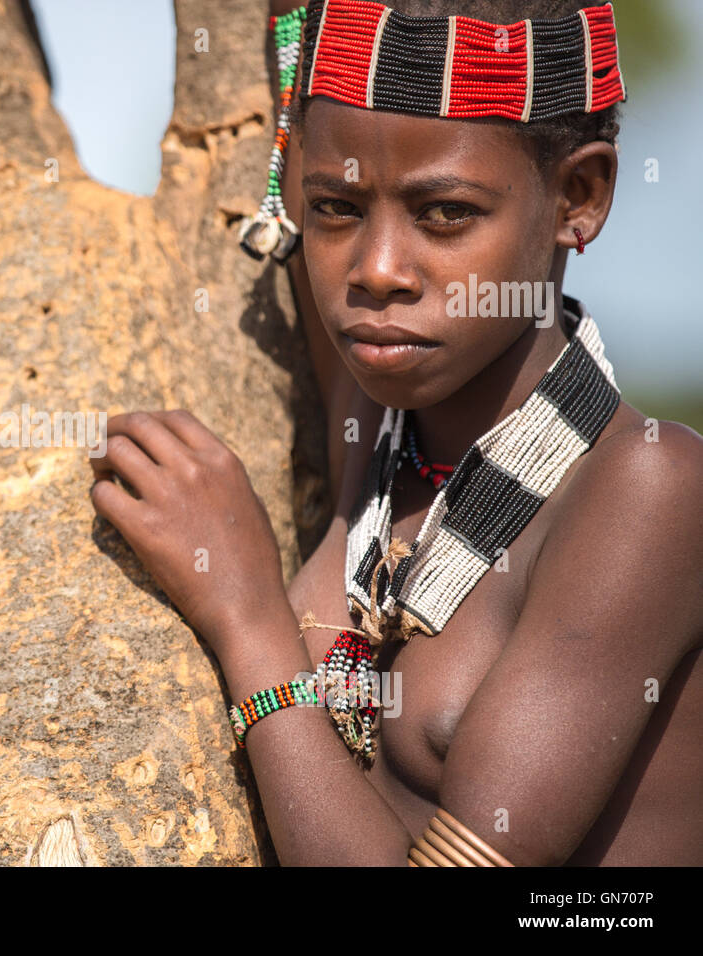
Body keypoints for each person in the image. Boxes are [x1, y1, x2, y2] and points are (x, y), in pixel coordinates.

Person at [86, 0, 703, 866]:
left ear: (580, 196)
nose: (376, 271)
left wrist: (250, 619)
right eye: (335, 209)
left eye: (445, 214)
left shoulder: (648, 488)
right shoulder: (379, 423)